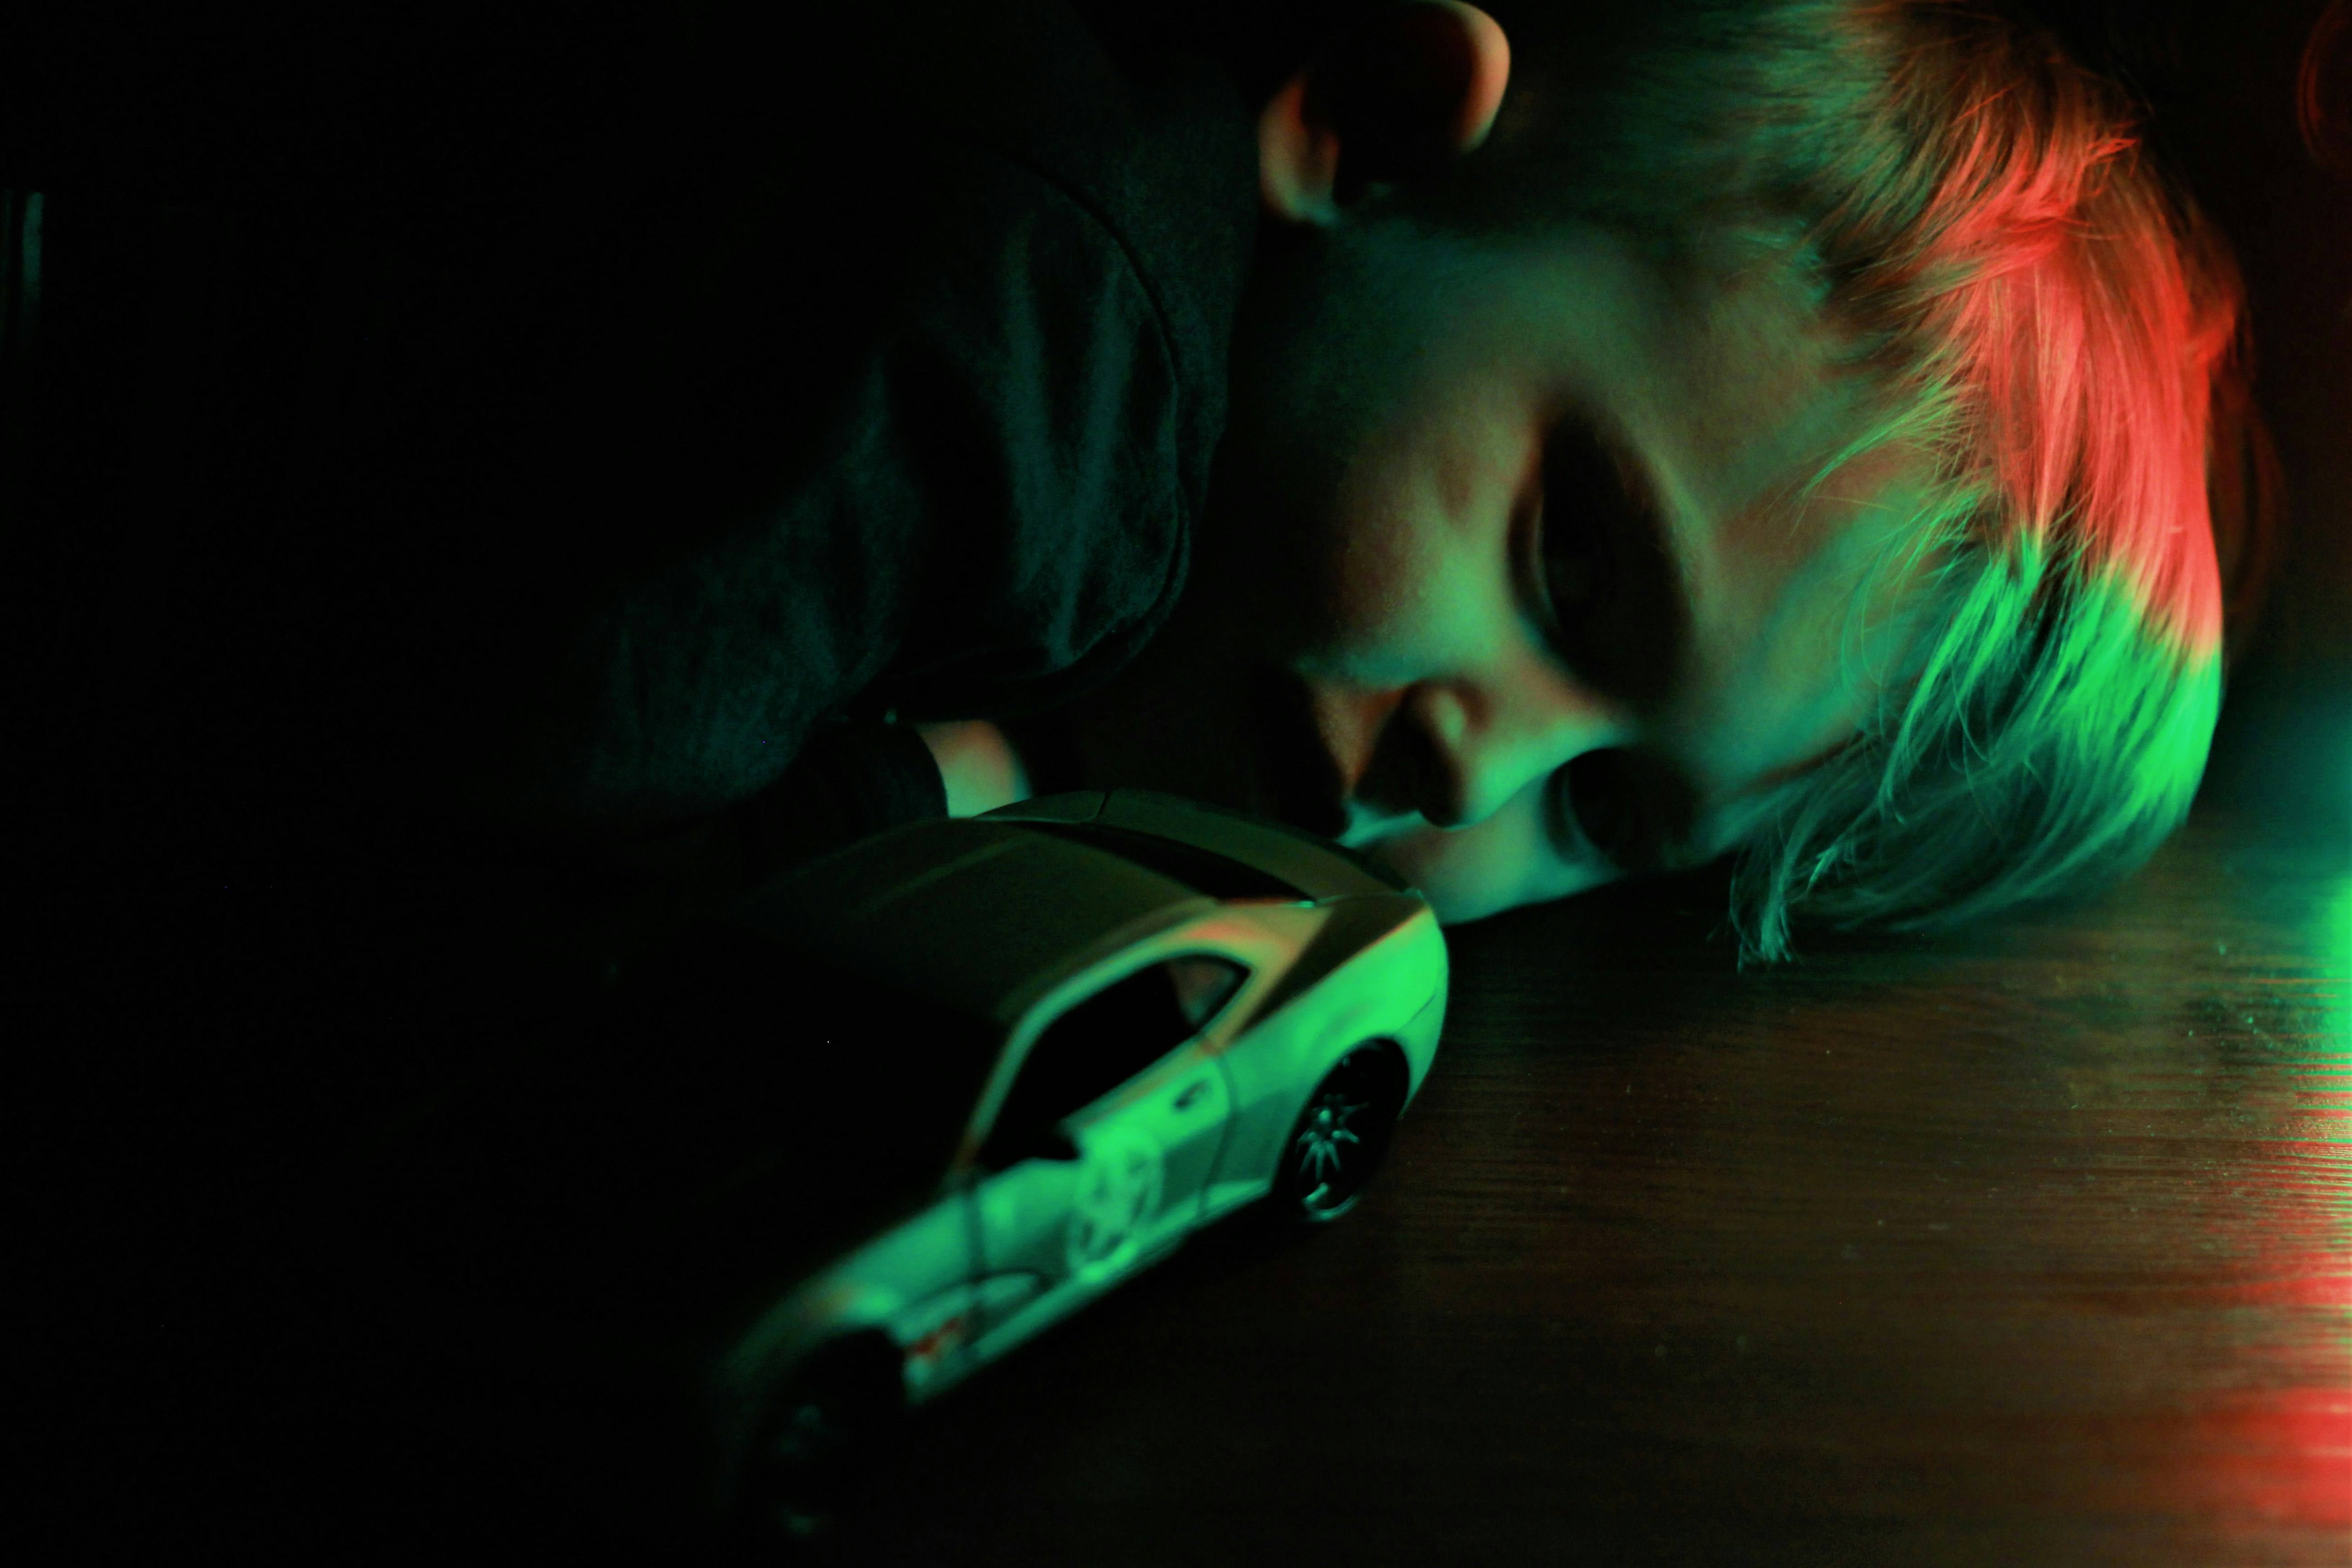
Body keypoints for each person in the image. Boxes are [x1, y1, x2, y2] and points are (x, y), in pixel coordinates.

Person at [1, 0, 2270, 1558]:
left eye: (1613, 820)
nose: (1471, 771)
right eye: (1570, 565)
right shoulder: (1033, 303)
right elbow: (428, 945)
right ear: (1375, 139)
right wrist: (956, 786)